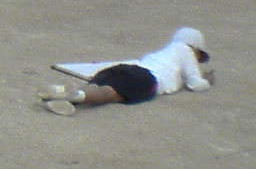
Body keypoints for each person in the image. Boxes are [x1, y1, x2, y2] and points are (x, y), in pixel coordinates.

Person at [39, 27, 214, 116]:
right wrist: (207, 80)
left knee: (101, 85)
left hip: (127, 67)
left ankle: (68, 95)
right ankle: (76, 96)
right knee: (112, 94)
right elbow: (195, 83)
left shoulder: (165, 53)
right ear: (196, 48)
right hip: (148, 79)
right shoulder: (186, 51)